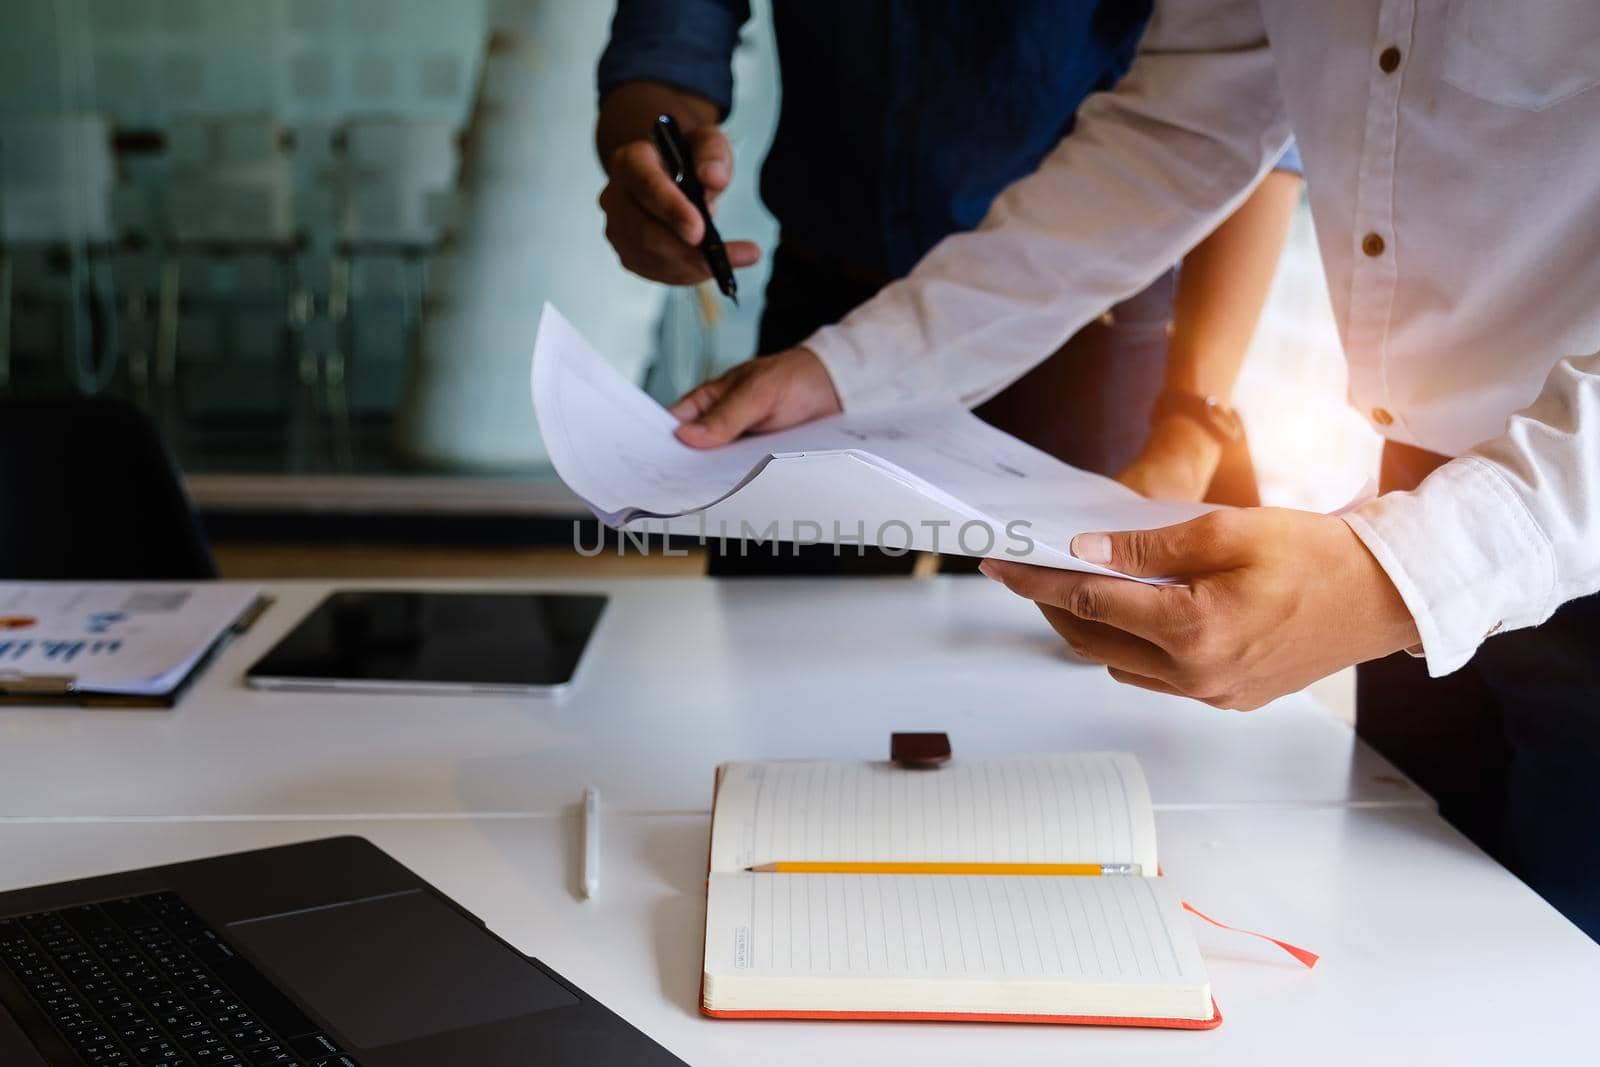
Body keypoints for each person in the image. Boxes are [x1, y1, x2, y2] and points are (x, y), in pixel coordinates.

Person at [661, 2, 1600, 940]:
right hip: (1415, 500)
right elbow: (1174, 133)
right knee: (1422, 950)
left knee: (1559, 984)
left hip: (1553, 528)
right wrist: (848, 367)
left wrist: (1397, 572)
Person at [595, 1, 1304, 572]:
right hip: (826, 316)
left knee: (1061, 700)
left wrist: (1192, 424)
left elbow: (1239, 111)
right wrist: (650, 161)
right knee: (783, 662)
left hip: (1088, 337)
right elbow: (671, 28)